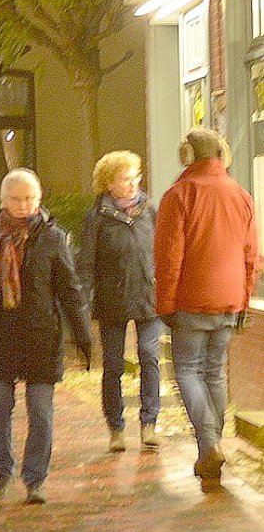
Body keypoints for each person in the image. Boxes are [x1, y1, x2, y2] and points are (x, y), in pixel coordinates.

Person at [0, 168, 91, 505]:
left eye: (30, 198)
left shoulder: (52, 237)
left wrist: (83, 335)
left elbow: (69, 289)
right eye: (16, 199)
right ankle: (3, 469)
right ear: (3, 201)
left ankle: (35, 479)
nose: (23, 205)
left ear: (39, 199)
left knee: (41, 411)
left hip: (41, 335)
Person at [154, 128, 258, 492]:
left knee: (187, 370)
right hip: (229, 298)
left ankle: (209, 443)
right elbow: (251, 256)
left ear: (187, 155)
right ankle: (212, 445)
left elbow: (169, 258)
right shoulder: (242, 196)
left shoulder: (179, 195)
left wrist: (164, 302)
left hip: (190, 299)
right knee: (214, 372)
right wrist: (243, 298)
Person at [77, 150, 162, 454]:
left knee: (149, 356)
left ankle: (149, 423)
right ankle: (116, 427)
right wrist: (83, 305)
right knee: (113, 365)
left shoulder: (150, 210)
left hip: (149, 296)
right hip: (112, 300)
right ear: (109, 185)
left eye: (135, 177)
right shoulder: (97, 217)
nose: (133, 183)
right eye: (125, 179)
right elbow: (86, 262)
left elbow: (164, 250)